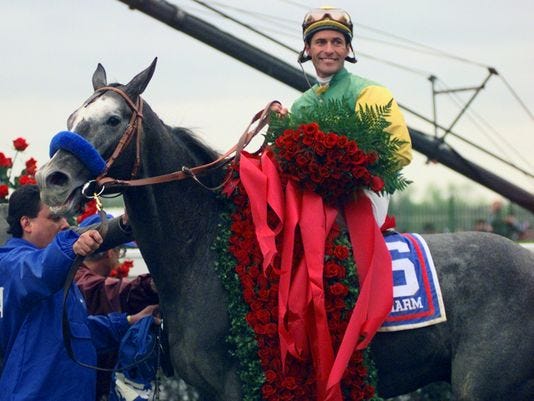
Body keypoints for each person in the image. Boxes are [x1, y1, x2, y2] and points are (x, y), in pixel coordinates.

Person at [0, 185, 158, 401]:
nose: (65, 224)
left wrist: (129, 322)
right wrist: (72, 247)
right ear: (26, 223)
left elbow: (76, 333)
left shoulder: (53, 267)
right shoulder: (11, 263)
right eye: (55, 217)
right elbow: (39, 270)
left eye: (65, 217)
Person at [273, 6, 412, 225]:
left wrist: (345, 175)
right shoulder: (301, 105)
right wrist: (279, 128)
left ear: (348, 49)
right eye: (321, 42)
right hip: (311, 197)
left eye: (337, 42)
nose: (329, 49)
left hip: (360, 196)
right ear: (308, 49)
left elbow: (399, 151)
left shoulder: (370, 93)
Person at [75, 213, 159, 401]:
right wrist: (150, 286)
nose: (120, 258)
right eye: (120, 251)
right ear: (109, 251)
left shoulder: (84, 277)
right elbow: (107, 292)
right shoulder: (78, 279)